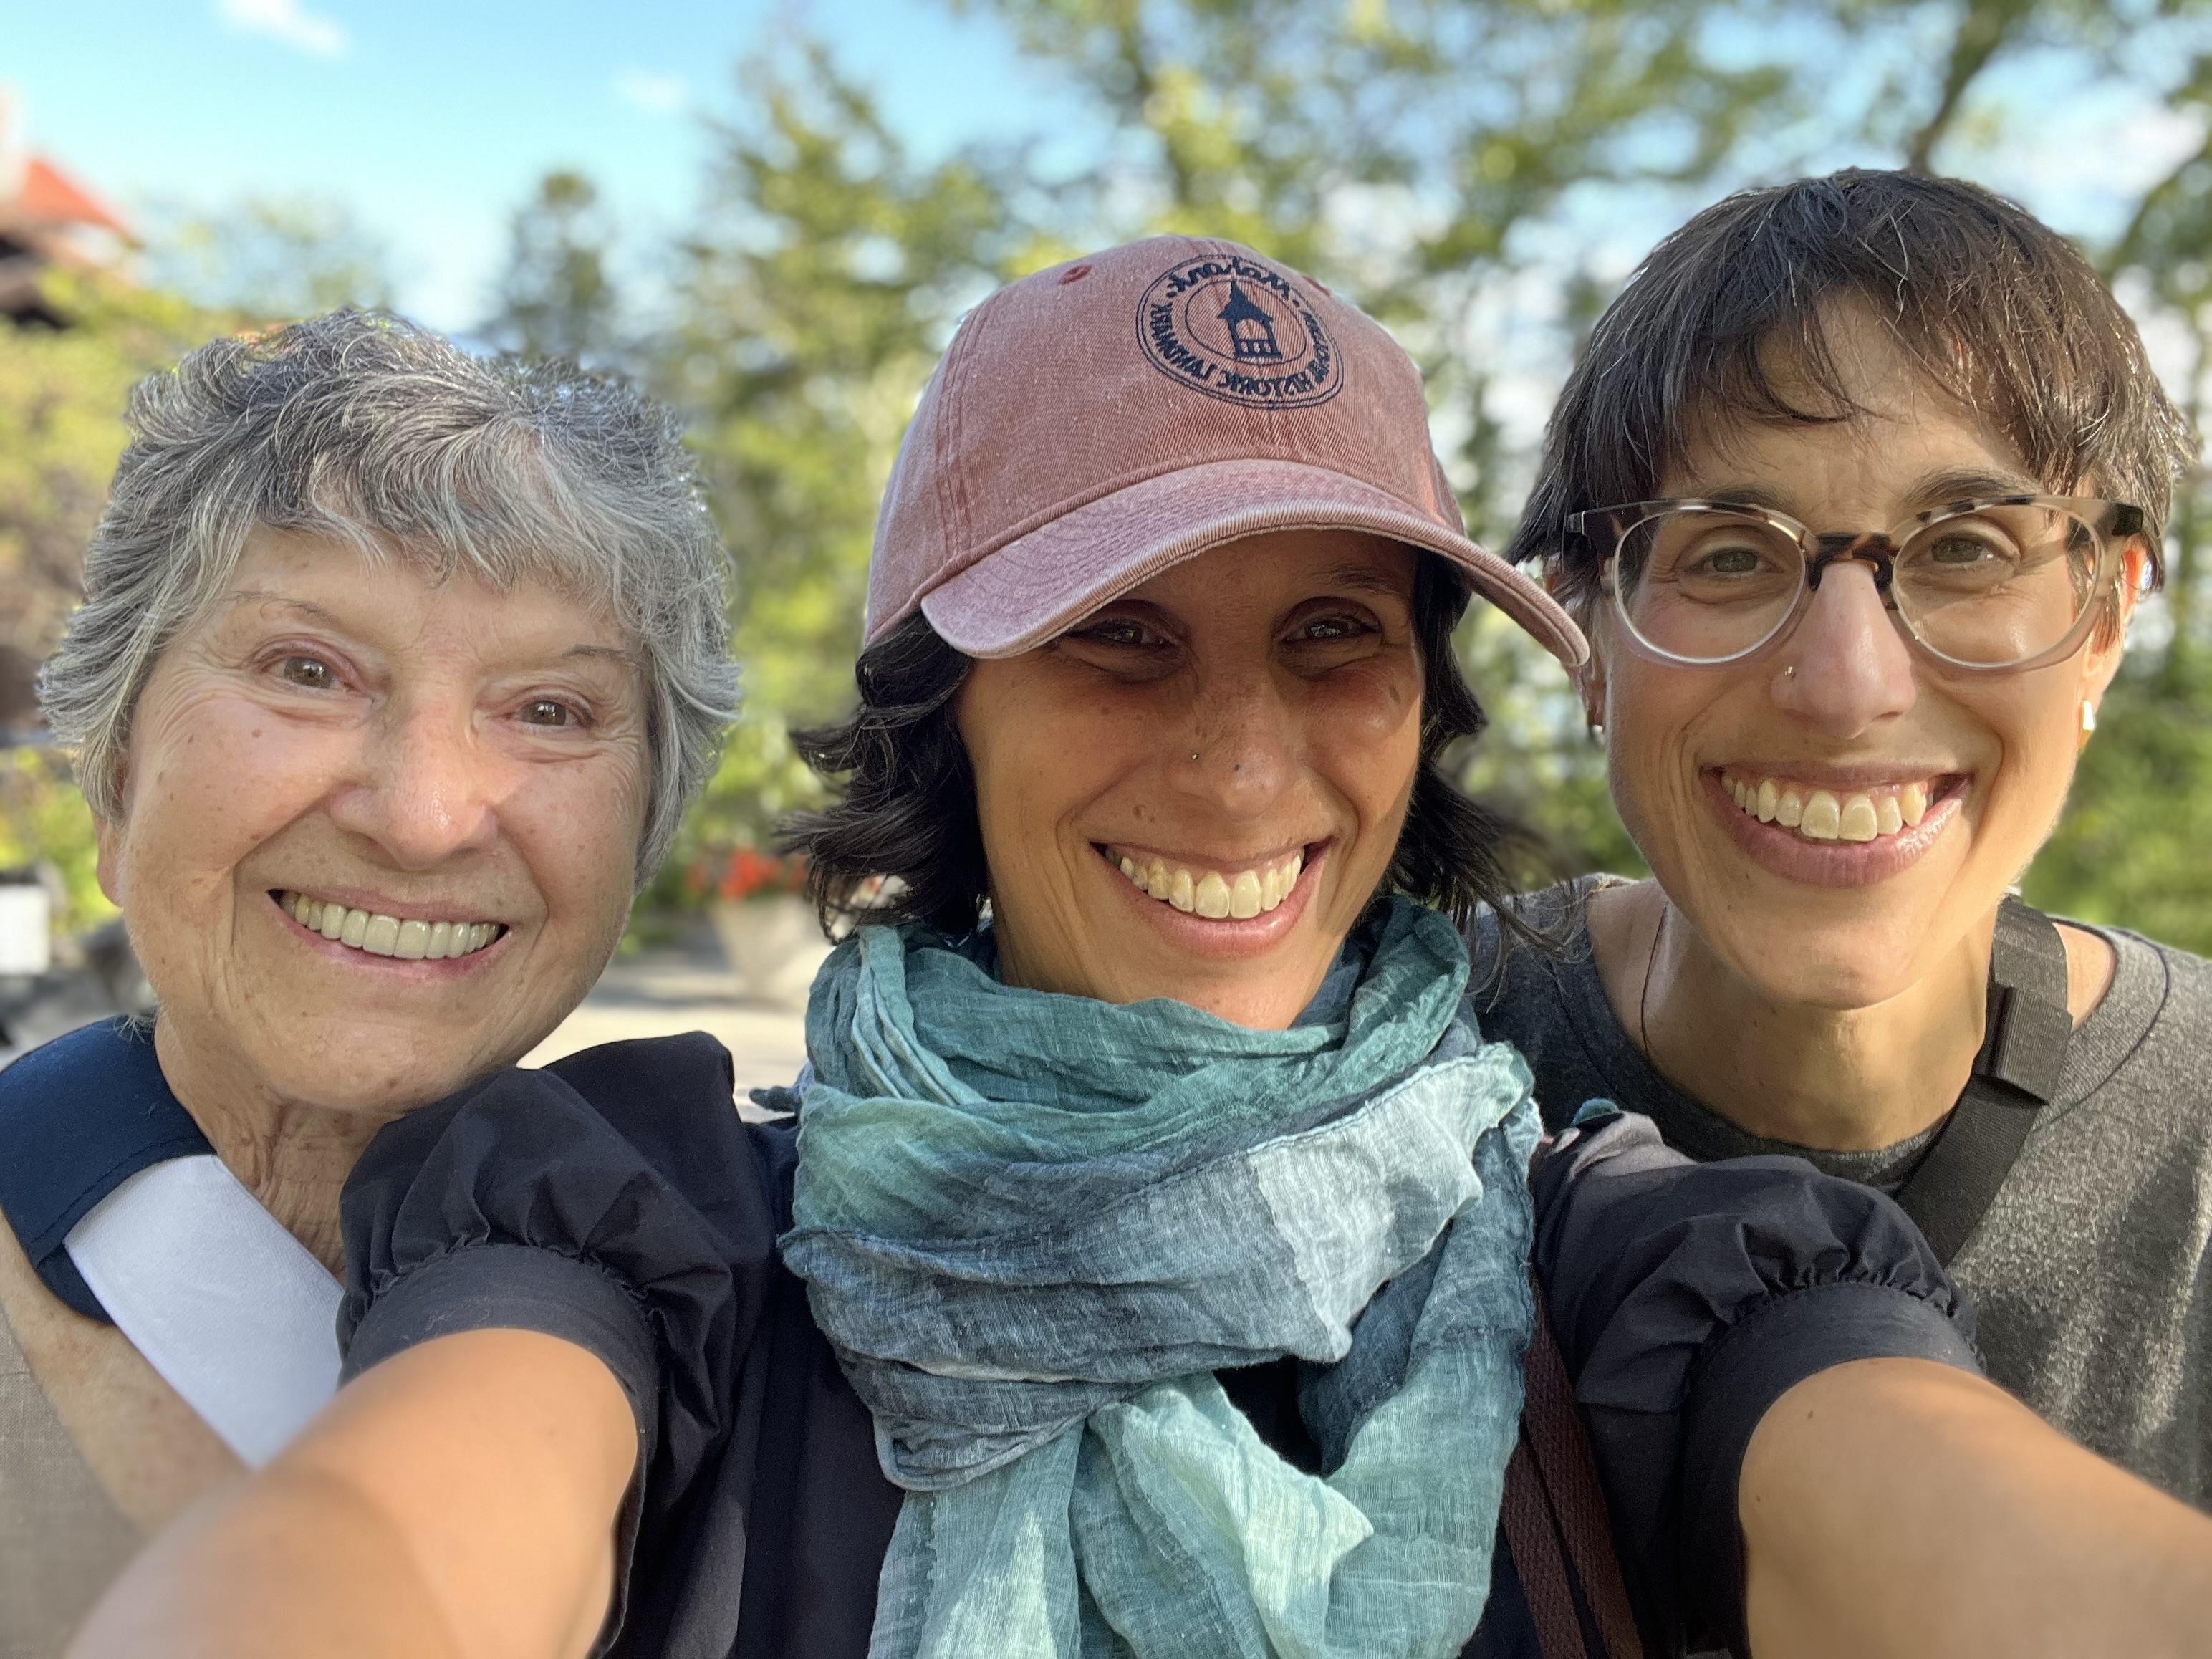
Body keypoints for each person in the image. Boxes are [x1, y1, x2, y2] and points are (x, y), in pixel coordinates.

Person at [68, 239, 2212, 1659]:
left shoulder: (1630, 1246)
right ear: (947, 709)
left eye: (1331, 639)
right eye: (1117, 639)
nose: (1242, 756)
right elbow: (403, 1542)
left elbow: (1937, 1516)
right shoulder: (658, 1220)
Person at [0, 311, 736, 1655]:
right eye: (308, 670)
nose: (424, 816)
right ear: (113, 779)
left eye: (550, 710)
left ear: (639, 836)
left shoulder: (800, 1301)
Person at [1484, 167, 2212, 1510]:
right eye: (1725, 553)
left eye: (1968, 548)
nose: (1848, 682)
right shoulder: (1381, 1053)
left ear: (2103, 623)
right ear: (1586, 632)